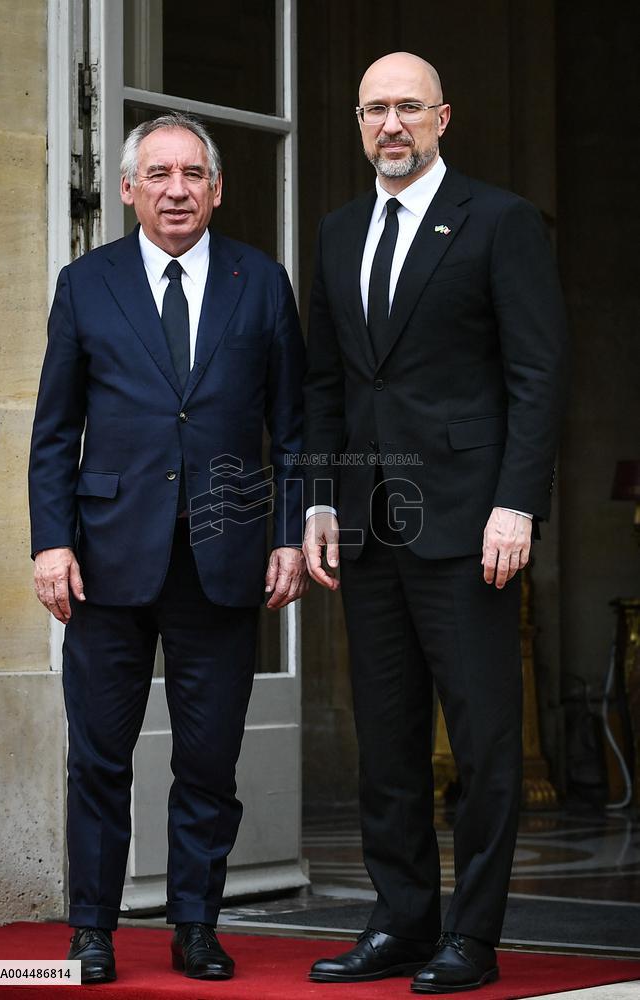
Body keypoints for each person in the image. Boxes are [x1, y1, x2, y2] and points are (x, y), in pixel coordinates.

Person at [303, 52, 567, 994]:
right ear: (359, 122)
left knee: (489, 742)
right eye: (375, 109)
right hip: (371, 525)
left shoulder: (499, 223)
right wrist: (320, 501)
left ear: (443, 118)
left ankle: (474, 936)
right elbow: (326, 384)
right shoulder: (336, 234)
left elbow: (538, 376)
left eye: (409, 107)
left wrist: (517, 502)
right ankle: (402, 922)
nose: (391, 125)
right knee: (387, 740)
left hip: (471, 525)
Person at [29, 112, 307, 984]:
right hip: (107, 562)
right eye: (159, 174)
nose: (177, 189)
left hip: (224, 559)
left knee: (208, 759)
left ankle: (195, 923)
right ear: (127, 189)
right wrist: (50, 544)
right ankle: (92, 930)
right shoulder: (86, 283)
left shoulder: (260, 283)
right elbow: (53, 432)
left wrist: (291, 535)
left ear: (217, 188)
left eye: (193, 174)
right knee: (101, 757)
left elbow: (293, 432)